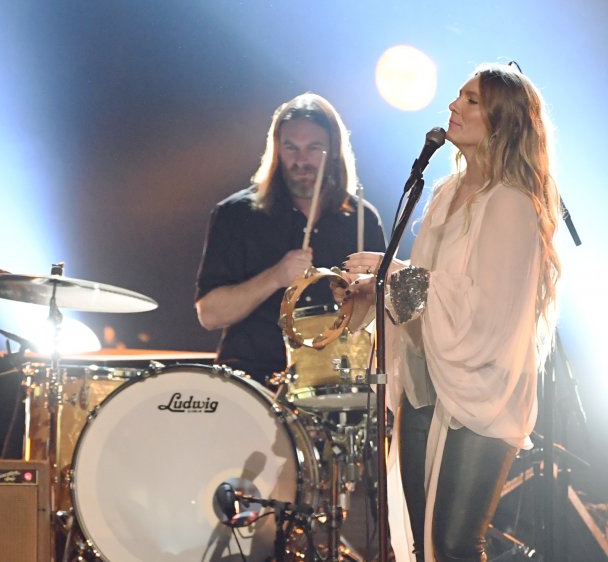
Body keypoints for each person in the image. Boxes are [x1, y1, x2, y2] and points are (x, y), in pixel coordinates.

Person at [344, 63, 561, 561]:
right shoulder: (442, 194)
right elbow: (422, 295)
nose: (453, 106)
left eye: (471, 100)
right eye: (458, 96)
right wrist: (370, 291)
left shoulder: (511, 203)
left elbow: (484, 311)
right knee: (426, 545)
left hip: (481, 394)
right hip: (427, 384)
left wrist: (393, 271)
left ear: (504, 121)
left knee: (456, 545)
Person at [196, 92, 386, 380]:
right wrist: (276, 276)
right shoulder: (236, 215)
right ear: (277, 149)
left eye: (314, 148)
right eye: (291, 147)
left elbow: (384, 315)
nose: (301, 160)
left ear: (334, 151)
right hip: (253, 381)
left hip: (339, 383)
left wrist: (360, 298)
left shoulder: (362, 218)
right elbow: (209, 314)